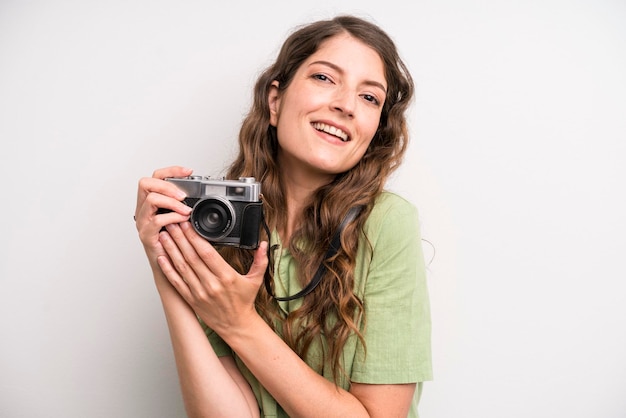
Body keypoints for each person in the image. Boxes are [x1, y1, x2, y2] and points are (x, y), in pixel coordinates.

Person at [135, 14, 432, 418]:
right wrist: (165, 263)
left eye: (369, 97)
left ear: (375, 128)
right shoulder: (223, 224)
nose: (345, 104)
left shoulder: (387, 223)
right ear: (275, 101)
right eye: (325, 78)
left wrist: (239, 322)